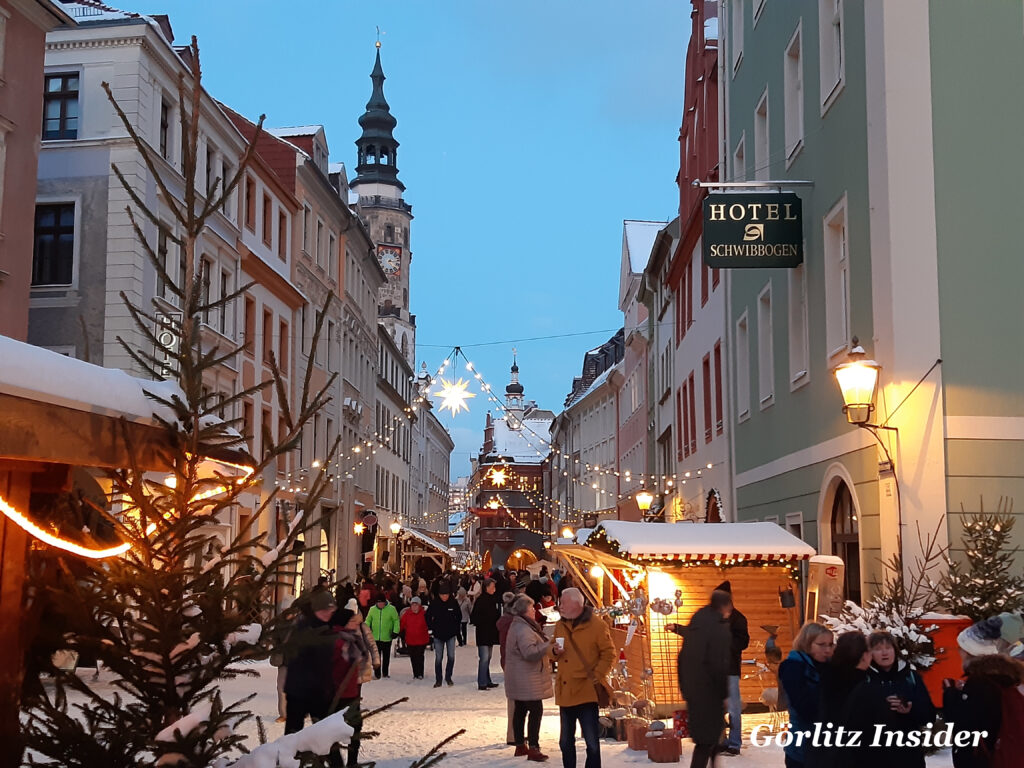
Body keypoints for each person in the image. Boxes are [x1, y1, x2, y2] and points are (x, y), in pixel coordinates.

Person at [847, 631, 935, 768]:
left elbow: (929, 716)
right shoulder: (863, 679)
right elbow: (851, 717)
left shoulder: (910, 677)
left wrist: (910, 709)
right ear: (869, 654)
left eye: (888, 648)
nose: (884, 653)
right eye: (878, 649)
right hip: (872, 755)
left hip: (907, 754)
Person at [944, 618, 1024, 768]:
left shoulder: (978, 683)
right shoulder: (1007, 678)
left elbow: (964, 730)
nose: (958, 651)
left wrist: (950, 695)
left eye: (961, 647)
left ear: (969, 652)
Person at [667, 588, 732, 768]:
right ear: (725, 606)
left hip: (694, 691)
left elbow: (683, 659)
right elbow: (719, 665)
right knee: (707, 741)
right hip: (710, 693)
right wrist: (725, 693)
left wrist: (686, 688)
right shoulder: (718, 630)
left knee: (709, 739)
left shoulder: (697, 625)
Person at [552, 587, 614, 768]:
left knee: (592, 743)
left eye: (563, 603)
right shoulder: (560, 625)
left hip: (587, 691)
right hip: (565, 692)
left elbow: (609, 653)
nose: (560, 606)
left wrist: (597, 675)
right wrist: (554, 651)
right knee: (565, 742)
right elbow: (551, 648)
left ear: (576, 605)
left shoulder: (596, 625)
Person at [778, 623, 834, 768]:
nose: (827, 650)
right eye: (821, 645)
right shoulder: (794, 668)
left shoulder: (829, 667)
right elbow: (805, 708)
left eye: (830, 645)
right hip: (801, 746)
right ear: (807, 644)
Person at [283, 589, 339, 733]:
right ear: (316, 609)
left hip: (318, 691)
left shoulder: (326, 627)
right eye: (325, 609)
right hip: (302, 691)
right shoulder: (305, 629)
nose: (329, 612)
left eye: (331, 609)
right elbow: (296, 658)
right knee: (293, 735)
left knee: (325, 736)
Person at [505, 594, 553, 761]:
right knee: (535, 710)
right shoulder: (524, 629)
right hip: (527, 676)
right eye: (532, 608)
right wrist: (548, 645)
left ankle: (520, 745)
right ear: (525, 611)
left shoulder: (520, 625)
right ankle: (533, 747)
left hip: (519, 675)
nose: (534, 611)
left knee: (520, 709)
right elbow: (529, 653)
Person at [817, 631, 872, 768]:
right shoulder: (866, 684)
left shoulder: (826, 676)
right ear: (864, 656)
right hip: (857, 753)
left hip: (828, 750)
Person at [330, 607, 370, 768]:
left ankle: (351, 763)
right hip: (336, 694)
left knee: (355, 729)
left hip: (351, 693)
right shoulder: (339, 642)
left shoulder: (351, 639)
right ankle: (338, 764)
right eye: (352, 621)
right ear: (344, 624)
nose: (356, 623)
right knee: (334, 733)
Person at [713, 581, 748, 756]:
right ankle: (721, 740)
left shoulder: (738, 618)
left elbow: (743, 642)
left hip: (730, 670)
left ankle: (734, 742)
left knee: (733, 708)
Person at [426, 580, 461, 687]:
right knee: (438, 658)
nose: (444, 597)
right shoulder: (435, 603)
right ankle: (438, 679)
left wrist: (455, 629)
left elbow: (458, 616)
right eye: (442, 595)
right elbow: (427, 616)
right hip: (438, 635)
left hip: (450, 634)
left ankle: (448, 677)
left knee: (451, 657)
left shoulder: (453, 603)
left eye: (446, 595)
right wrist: (431, 628)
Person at [497, 591, 519, 745]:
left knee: (514, 700)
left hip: (507, 661)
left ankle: (514, 734)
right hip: (514, 663)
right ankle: (513, 734)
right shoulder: (514, 624)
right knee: (516, 700)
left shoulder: (505, 622)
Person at [471, 578, 501, 690]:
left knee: (487, 658)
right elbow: (474, 617)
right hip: (483, 633)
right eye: (493, 587)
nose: (494, 589)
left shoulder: (492, 600)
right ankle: (482, 682)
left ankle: (487, 680)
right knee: (484, 658)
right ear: (487, 587)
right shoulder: (481, 600)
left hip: (489, 633)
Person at [365, 593, 400, 679]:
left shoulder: (391, 609)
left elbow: (396, 620)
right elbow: (368, 620)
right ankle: (377, 673)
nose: (380, 605)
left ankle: (385, 672)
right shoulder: (372, 610)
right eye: (379, 603)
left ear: (385, 602)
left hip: (387, 637)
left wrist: (395, 631)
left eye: (382, 603)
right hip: (375, 637)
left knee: (386, 656)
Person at [400, 595, 430, 679]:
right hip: (410, 640)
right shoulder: (407, 614)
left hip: (422, 639)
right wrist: (398, 632)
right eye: (413, 605)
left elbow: (429, 623)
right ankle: (415, 673)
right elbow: (401, 624)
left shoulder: (424, 614)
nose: (414, 607)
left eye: (416, 605)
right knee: (413, 657)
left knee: (420, 656)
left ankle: (420, 673)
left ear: (419, 605)